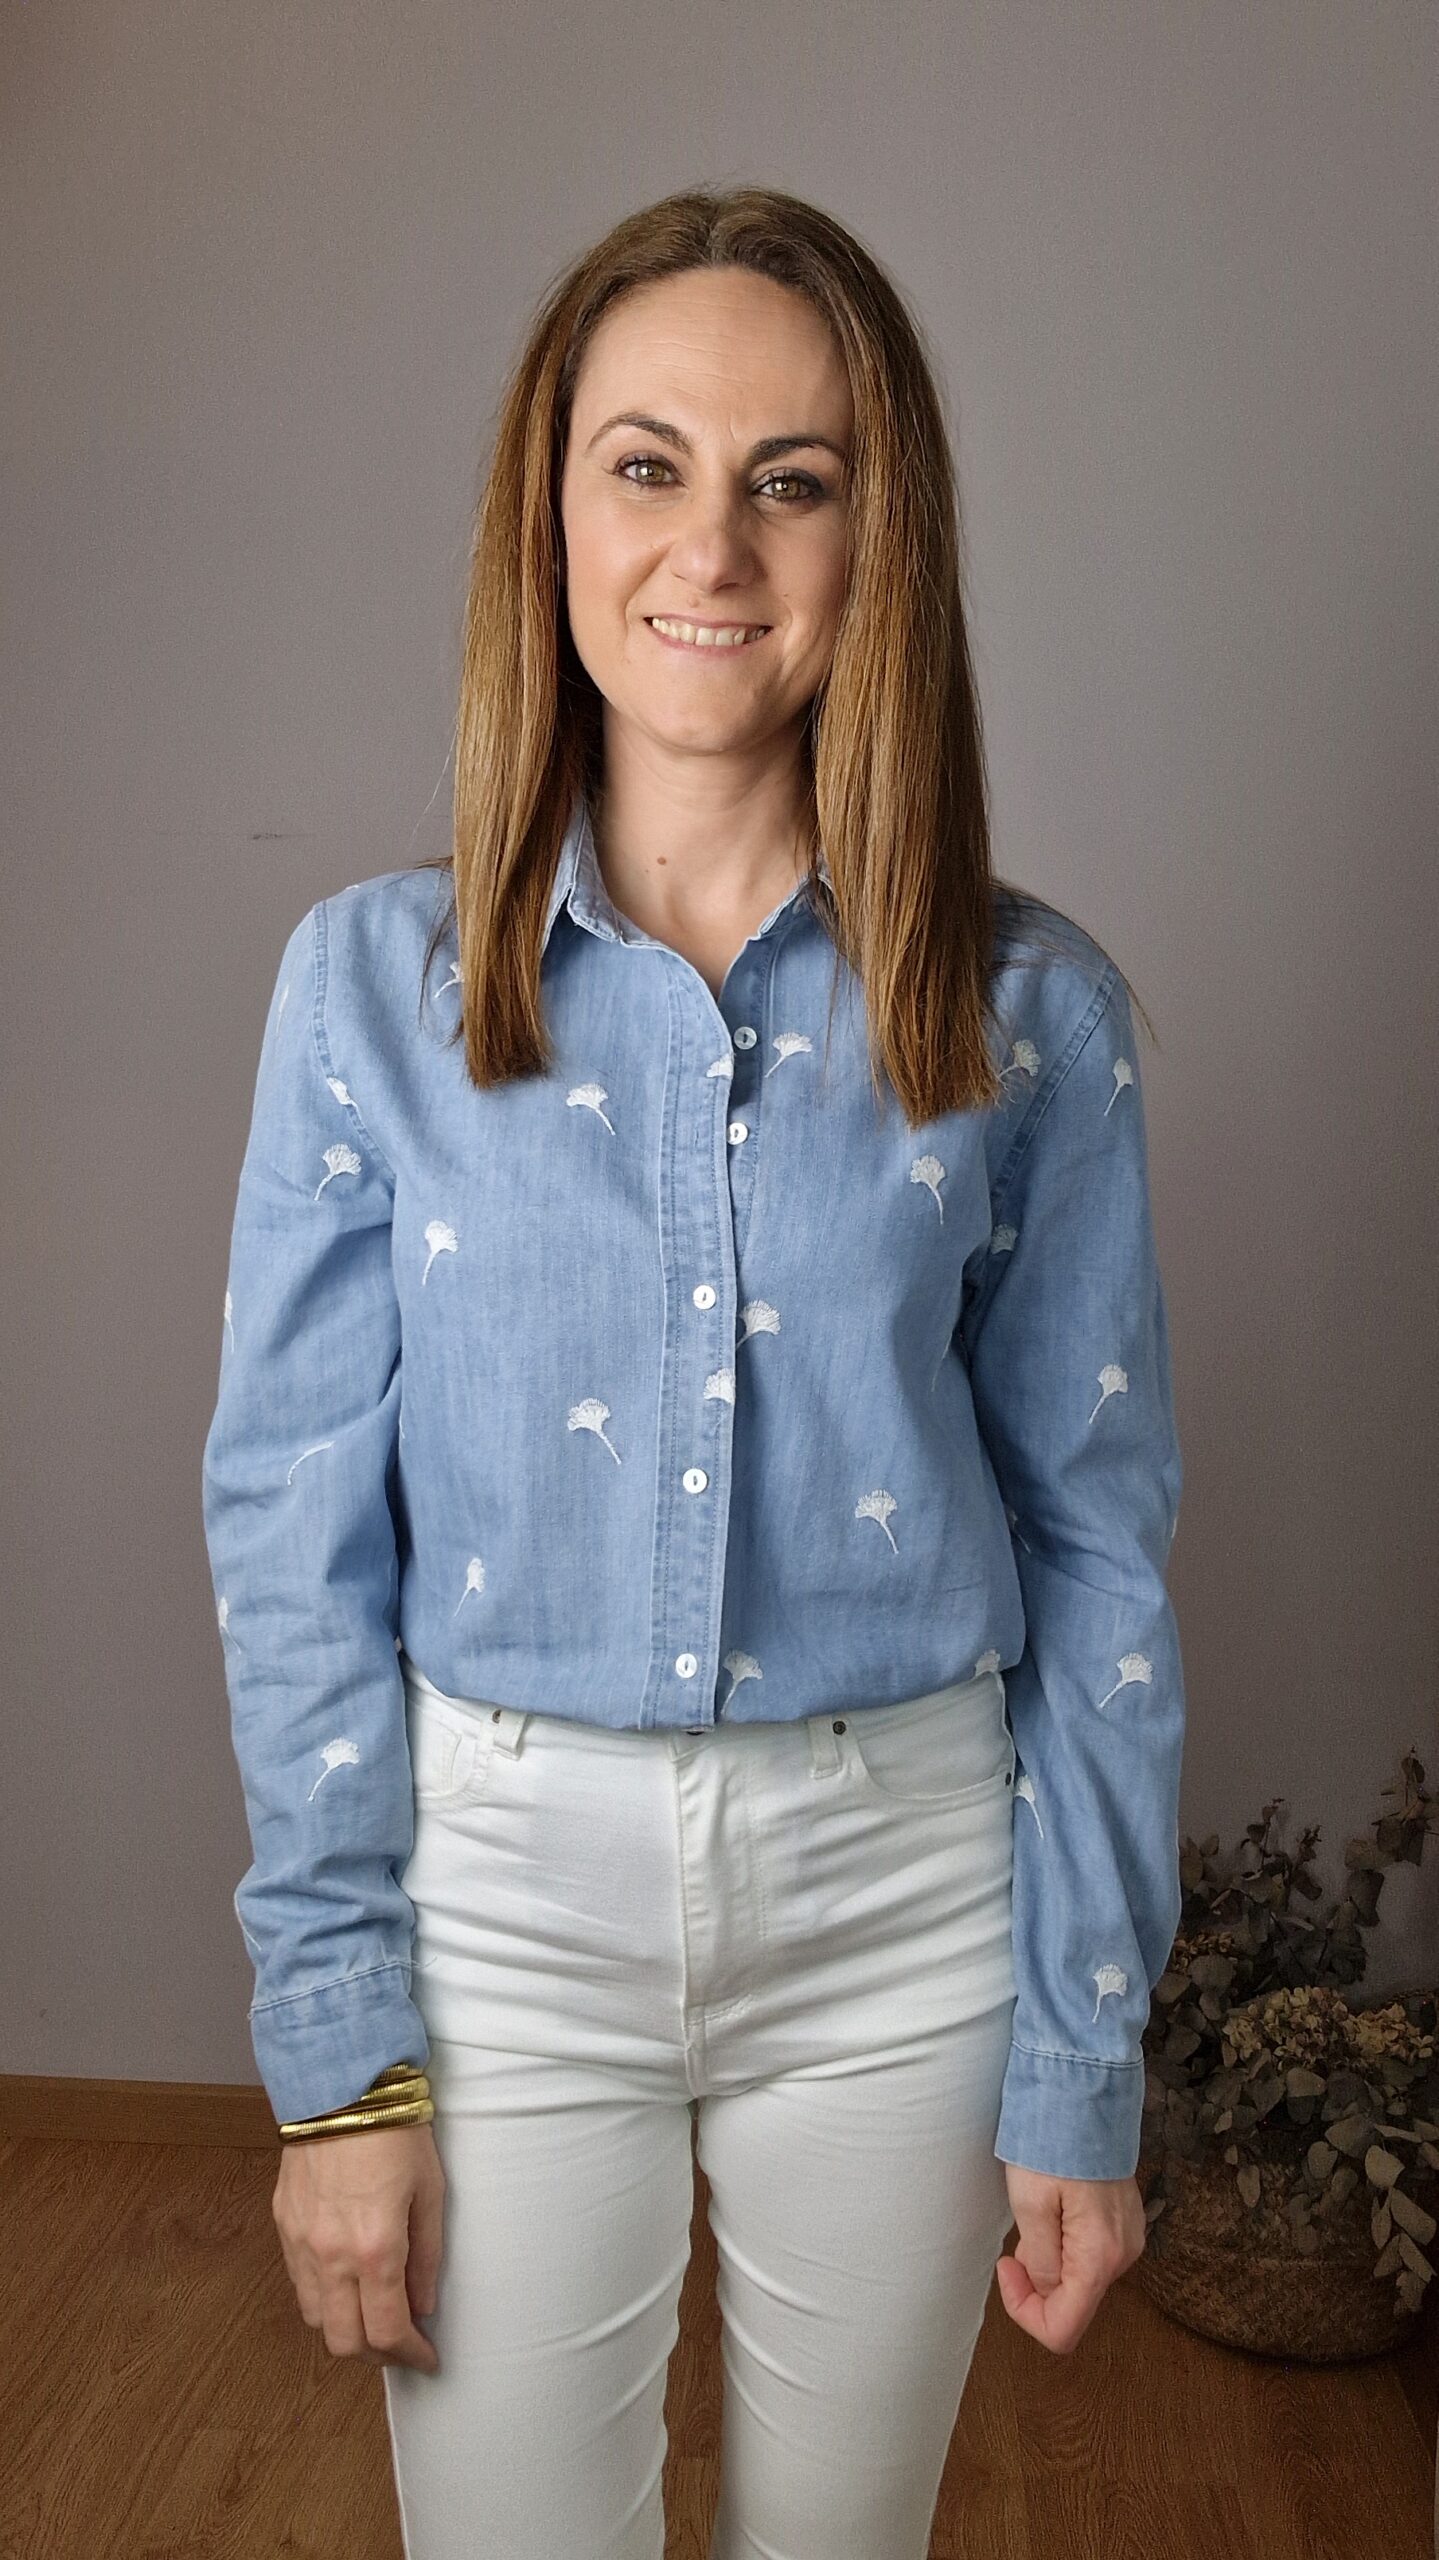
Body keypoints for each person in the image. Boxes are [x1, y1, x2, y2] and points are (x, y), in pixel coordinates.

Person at [201, 183, 1186, 2560]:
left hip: (905, 1894)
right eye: (646, 465)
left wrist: (1080, 2041)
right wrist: (340, 2061)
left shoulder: (1035, 1014)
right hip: (499, 1897)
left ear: (879, 541)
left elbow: (1100, 1538)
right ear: (550, 516)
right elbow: (291, 1532)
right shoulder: (366, 994)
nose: (712, 548)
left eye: (793, 479)